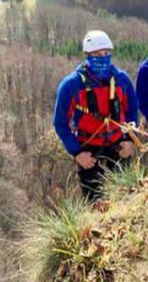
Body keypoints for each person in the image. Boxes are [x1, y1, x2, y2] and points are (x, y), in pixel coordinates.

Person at [53, 30, 139, 202]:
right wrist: (77, 152)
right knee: (95, 203)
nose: (102, 58)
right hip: (88, 149)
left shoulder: (121, 79)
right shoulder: (71, 85)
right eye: (97, 54)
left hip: (118, 144)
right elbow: (60, 123)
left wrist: (130, 140)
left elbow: (132, 111)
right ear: (87, 55)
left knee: (125, 198)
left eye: (106, 53)